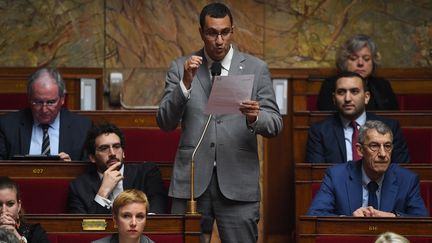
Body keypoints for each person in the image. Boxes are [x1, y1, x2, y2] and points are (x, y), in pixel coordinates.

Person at [157, 2, 282, 242]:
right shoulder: (180, 68)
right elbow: (164, 122)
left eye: (225, 32)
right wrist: (184, 85)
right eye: (212, 33)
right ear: (201, 32)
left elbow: (275, 123)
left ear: (232, 31)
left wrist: (255, 117)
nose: (219, 40)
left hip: (238, 181)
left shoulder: (256, 69)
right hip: (192, 182)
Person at [307, 120, 428, 217]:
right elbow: (315, 214)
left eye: (387, 146)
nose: (382, 154)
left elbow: (421, 220)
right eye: (374, 146)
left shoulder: (407, 180)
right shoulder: (336, 176)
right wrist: (348, 221)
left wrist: (393, 217)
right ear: (360, 150)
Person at [306, 71, 410, 163]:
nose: (347, 98)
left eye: (354, 91)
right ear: (334, 98)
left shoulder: (390, 127)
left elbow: (400, 171)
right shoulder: (319, 131)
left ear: (366, 97)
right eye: (341, 92)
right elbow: (318, 175)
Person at [67, 123, 167, 214]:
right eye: (104, 148)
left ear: (123, 152)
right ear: (92, 157)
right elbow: (85, 228)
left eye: (116, 146)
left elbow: (155, 220)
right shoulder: (79, 188)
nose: (112, 153)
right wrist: (103, 192)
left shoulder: (147, 174)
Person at [0, 67, 92, 161]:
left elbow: (89, 171)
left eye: (51, 102)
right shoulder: (7, 125)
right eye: (38, 102)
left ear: (62, 99)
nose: (44, 110)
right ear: (29, 98)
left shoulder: (83, 127)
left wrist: (69, 169)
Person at [317, 34, 399, 111]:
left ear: (373, 61)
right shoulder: (331, 85)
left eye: (366, 59)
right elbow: (325, 120)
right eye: (353, 58)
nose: (360, 63)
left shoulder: (382, 85)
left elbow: (394, 118)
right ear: (344, 61)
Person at [0, 176, 50, 243]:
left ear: (19, 206)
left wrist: (16, 236)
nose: (4, 210)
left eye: (10, 204)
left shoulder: (35, 233)